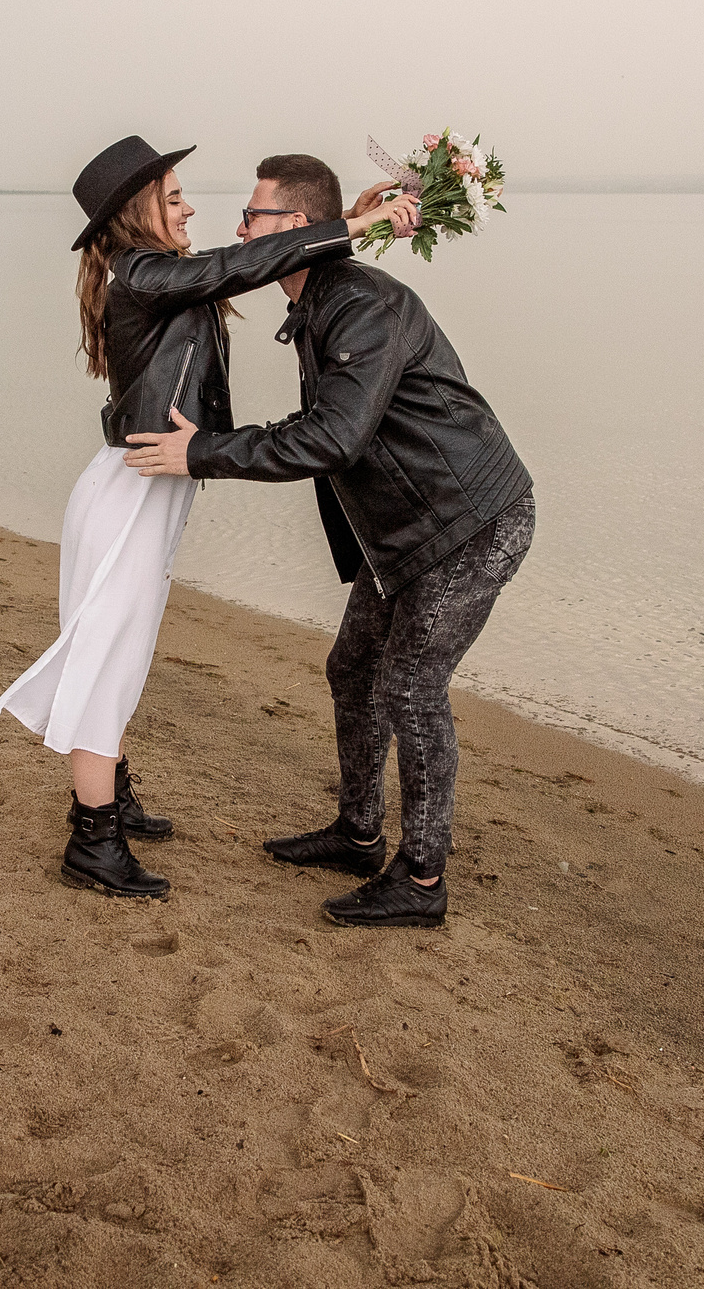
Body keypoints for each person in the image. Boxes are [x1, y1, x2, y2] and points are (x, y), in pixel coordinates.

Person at [0, 136, 418, 899]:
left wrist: (347, 219)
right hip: (128, 493)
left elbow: (242, 262)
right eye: (175, 197)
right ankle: (93, 839)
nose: (192, 208)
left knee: (122, 654)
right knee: (103, 661)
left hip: (146, 490)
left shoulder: (160, 277)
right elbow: (235, 264)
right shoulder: (145, 273)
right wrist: (356, 228)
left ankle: (111, 796)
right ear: (140, 215)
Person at [122, 152, 533, 929]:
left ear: (297, 227)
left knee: (410, 683)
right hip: (406, 530)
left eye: (253, 217)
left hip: (472, 521)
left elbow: (332, 438)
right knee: (352, 667)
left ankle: (421, 880)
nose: (240, 232)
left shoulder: (363, 306)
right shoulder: (322, 299)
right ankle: (357, 832)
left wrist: (204, 448)